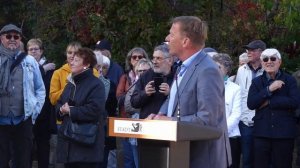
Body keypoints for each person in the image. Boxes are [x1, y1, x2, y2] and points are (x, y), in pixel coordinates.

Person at [147, 16, 231, 168]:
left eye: (172, 34)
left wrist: (170, 122)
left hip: (202, 159)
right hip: (181, 154)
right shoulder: (182, 66)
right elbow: (173, 98)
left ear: (185, 41)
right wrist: (159, 116)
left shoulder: (208, 70)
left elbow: (207, 120)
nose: (167, 38)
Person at [0, 24, 45, 168]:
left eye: (16, 37)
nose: (12, 39)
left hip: (23, 119)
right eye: (8, 36)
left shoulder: (29, 61)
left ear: (20, 39)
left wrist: (34, 110)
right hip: (1, 120)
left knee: (23, 161)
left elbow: (40, 89)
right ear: (2, 39)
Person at [247, 48, 300, 168]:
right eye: (265, 59)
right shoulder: (256, 82)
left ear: (279, 62)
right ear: (262, 62)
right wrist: (269, 89)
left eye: (273, 58)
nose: (269, 61)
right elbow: (251, 104)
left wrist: (270, 101)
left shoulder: (290, 80)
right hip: (262, 133)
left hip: (284, 134)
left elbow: (295, 102)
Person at [49, 42, 99, 168]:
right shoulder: (63, 77)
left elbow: (95, 104)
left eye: (76, 55)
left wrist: (72, 109)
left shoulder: (94, 77)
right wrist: (62, 107)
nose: (72, 57)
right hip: (65, 127)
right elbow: (55, 100)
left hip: (85, 130)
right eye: (69, 53)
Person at [235, 39, 266, 168]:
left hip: (263, 121)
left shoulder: (268, 69)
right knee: (246, 158)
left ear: (261, 52)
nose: (248, 52)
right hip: (245, 121)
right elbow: (238, 95)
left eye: (252, 50)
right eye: (248, 49)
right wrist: (240, 116)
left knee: (263, 158)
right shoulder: (241, 70)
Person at [116, 47, 149, 168]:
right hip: (128, 122)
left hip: (146, 123)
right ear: (130, 60)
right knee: (129, 159)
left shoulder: (152, 78)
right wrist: (134, 96)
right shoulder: (125, 78)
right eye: (134, 57)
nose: (137, 59)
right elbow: (119, 98)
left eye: (140, 57)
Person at [27, 38, 56, 168]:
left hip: (43, 114)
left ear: (41, 51)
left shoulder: (51, 69)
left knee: (43, 147)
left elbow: (45, 88)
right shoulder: (23, 65)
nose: (33, 51)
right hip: (27, 114)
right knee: (26, 147)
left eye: (36, 49)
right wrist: (41, 69)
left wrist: (42, 69)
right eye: (30, 49)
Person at [212, 53, 242, 168]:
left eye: (219, 67)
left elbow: (236, 114)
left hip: (229, 136)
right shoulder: (206, 86)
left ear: (227, 69)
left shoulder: (235, 89)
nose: (215, 70)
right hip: (209, 135)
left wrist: (221, 131)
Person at [131, 44, 174, 119]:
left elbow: (185, 103)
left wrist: (170, 93)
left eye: (158, 58)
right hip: (147, 123)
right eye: (153, 58)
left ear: (169, 61)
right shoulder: (146, 75)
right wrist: (145, 93)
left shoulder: (177, 75)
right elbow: (133, 102)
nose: (154, 61)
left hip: (169, 124)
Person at [123, 58, 152, 168]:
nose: (142, 73)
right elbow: (128, 105)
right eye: (140, 71)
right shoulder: (135, 85)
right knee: (135, 162)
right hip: (135, 129)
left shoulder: (154, 84)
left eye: (145, 71)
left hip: (150, 130)